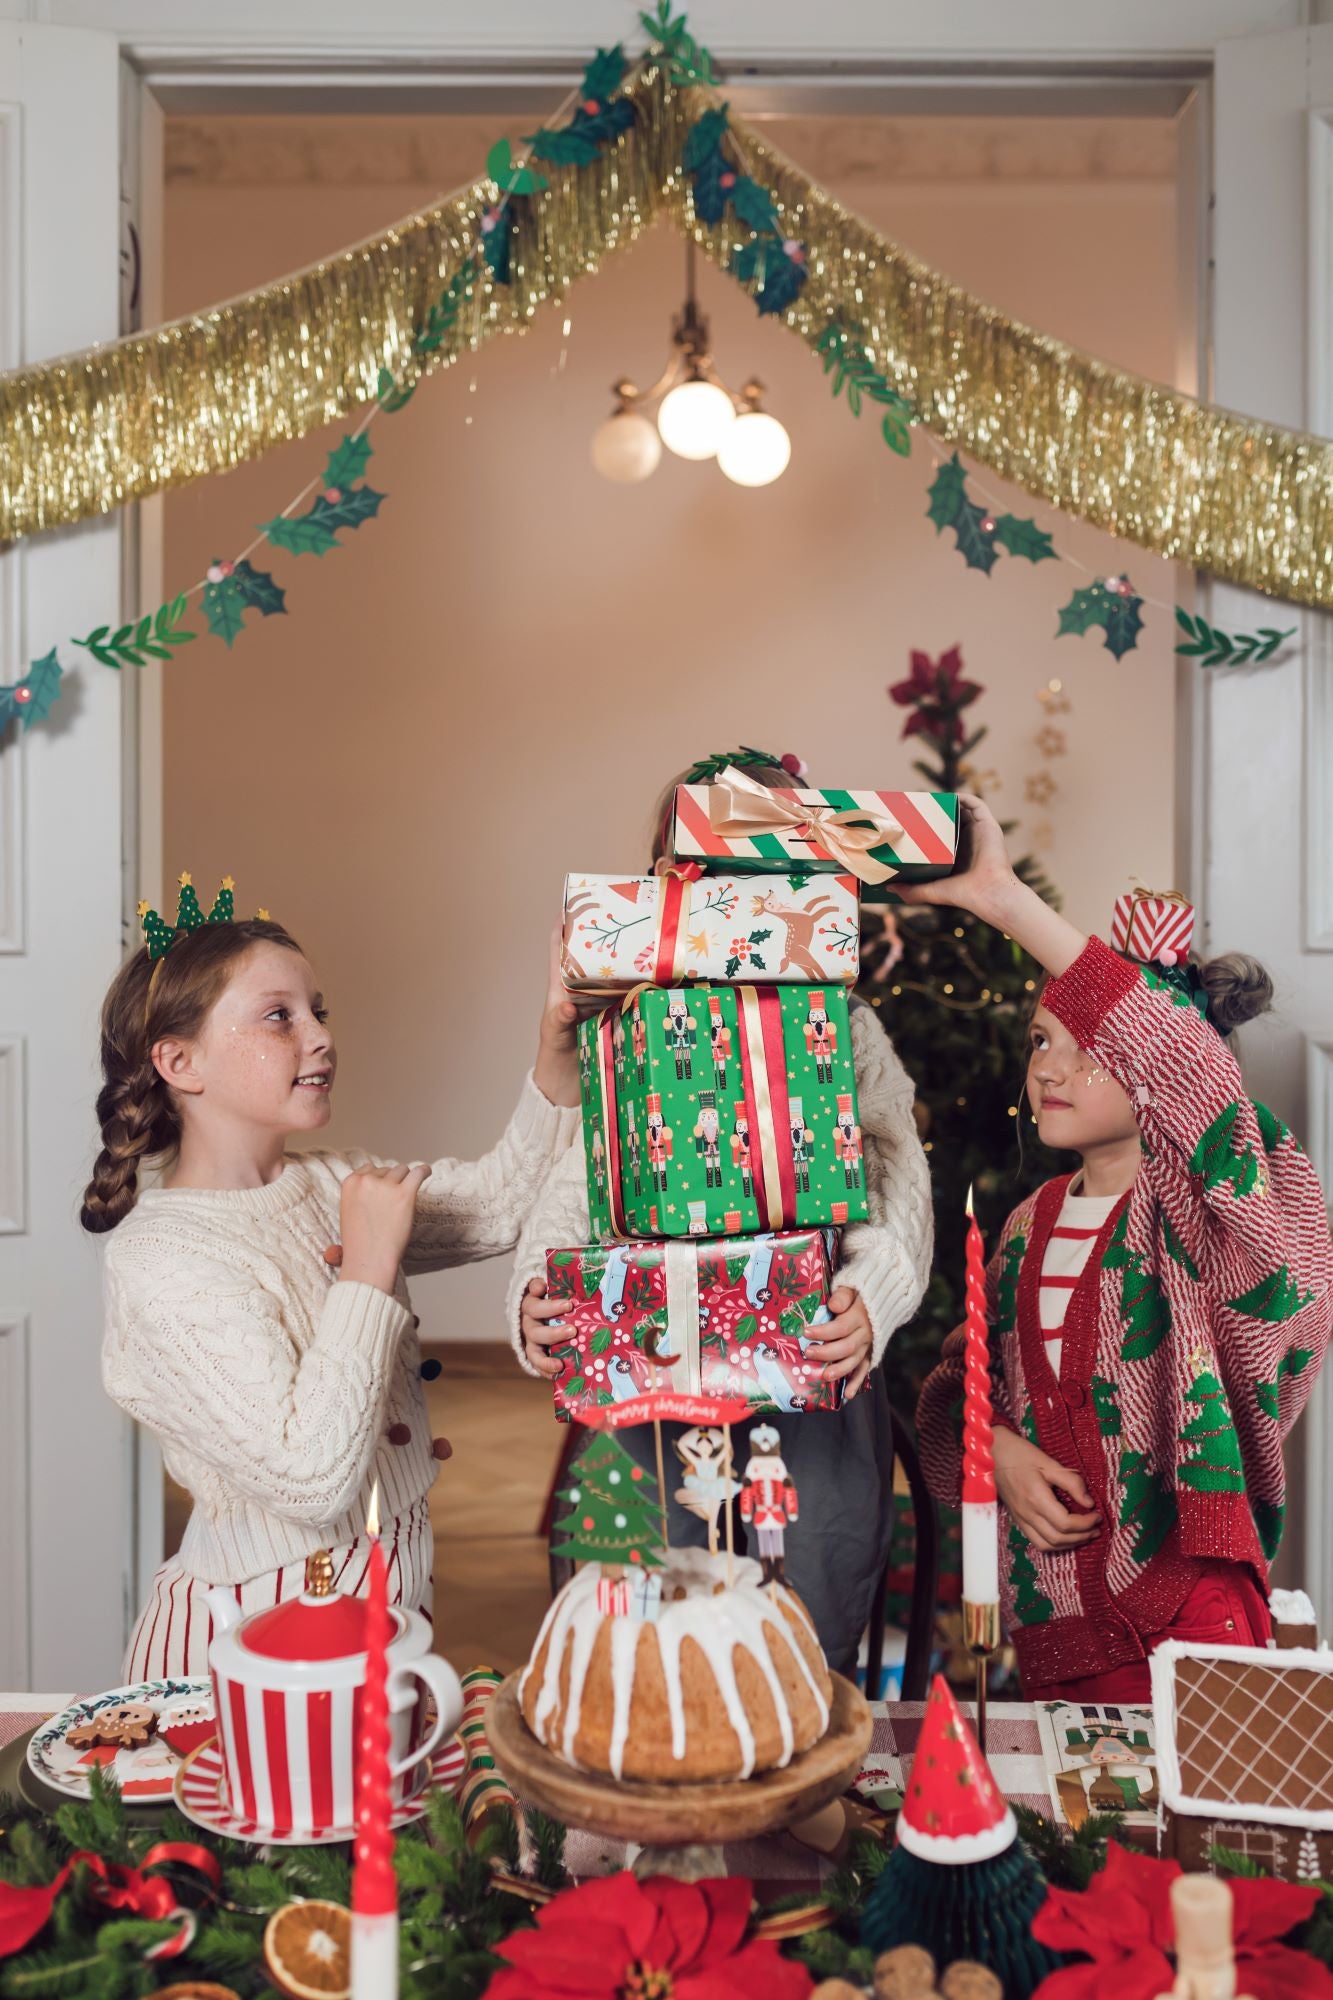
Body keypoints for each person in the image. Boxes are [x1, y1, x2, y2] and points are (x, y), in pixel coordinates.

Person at [86, 878, 582, 1677]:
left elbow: (500, 1206)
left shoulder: (333, 1181)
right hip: (245, 1651)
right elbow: (309, 1476)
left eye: (319, 1011)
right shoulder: (160, 1260)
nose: (319, 1037)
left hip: (383, 1610)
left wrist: (557, 1042)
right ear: (179, 1062)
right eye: (279, 1016)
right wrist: (368, 1267)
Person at [508, 751, 935, 1676]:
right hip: (648, 1387)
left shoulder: (841, 1022)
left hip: (809, 1376)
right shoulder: (624, 1015)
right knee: (641, 1623)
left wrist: (874, 1289)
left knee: (804, 1612)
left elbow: (895, 1166)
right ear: (666, 880)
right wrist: (534, 1297)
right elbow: (572, 1175)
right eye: (699, 859)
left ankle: (799, 1776)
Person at [913, 799, 1333, 1701]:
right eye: (1039, 1043)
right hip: (1052, 1625)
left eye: (1091, 1050)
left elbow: (1188, 1066)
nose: (1050, 1070)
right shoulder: (1026, 1224)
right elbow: (959, 1384)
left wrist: (1002, 901)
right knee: (1076, 1832)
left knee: (1190, 1837)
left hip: (1190, 1615)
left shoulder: (1203, 1216)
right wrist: (995, 1447)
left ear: (1156, 1069)